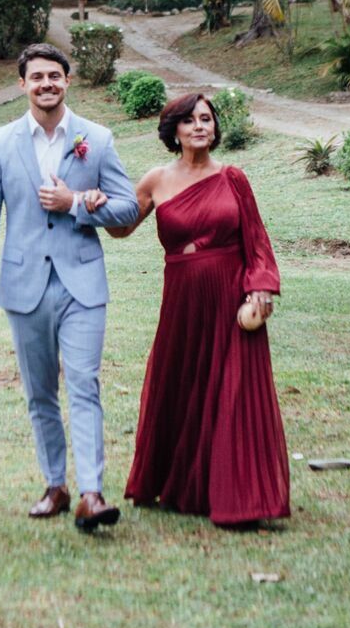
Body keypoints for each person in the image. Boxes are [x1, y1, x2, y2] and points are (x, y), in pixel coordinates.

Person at [0, 43, 140, 531]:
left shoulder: (97, 139)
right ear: (22, 84)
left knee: (84, 383)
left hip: (82, 284)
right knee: (40, 391)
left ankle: (92, 493)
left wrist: (77, 203)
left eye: (55, 76)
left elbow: (128, 209)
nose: (47, 84)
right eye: (37, 76)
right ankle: (55, 486)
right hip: (23, 287)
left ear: (68, 81)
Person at [107, 92, 290, 526]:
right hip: (183, 300)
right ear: (174, 130)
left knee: (235, 391)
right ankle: (181, 485)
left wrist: (259, 288)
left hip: (231, 297)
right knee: (183, 386)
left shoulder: (233, 179)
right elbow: (120, 229)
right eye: (189, 121)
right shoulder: (155, 180)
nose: (199, 127)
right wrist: (92, 201)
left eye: (206, 119)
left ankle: (244, 498)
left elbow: (256, 240)